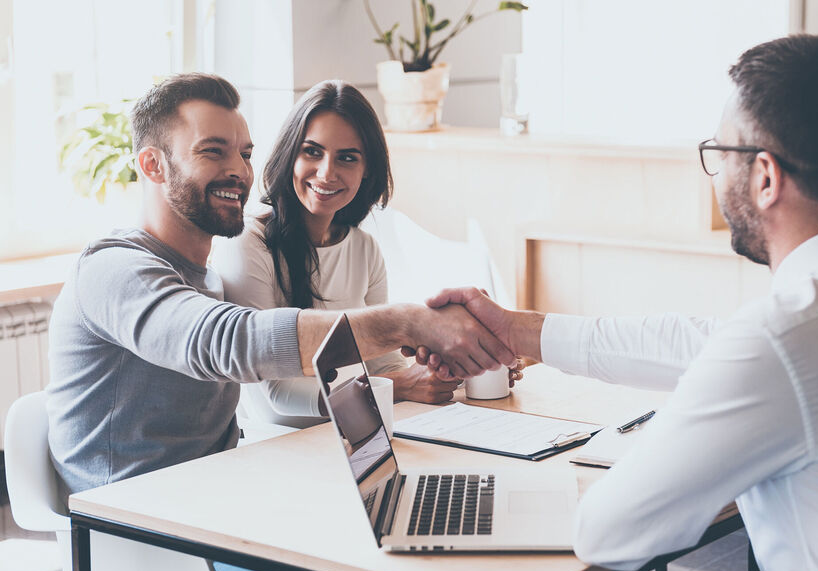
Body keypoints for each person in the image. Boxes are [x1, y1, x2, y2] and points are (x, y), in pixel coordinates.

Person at [423, 35, 818, 571]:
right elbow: (702, 343)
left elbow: (609, 532)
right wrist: (515, 331)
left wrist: (679, 434)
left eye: (721, 153)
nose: (718, 173)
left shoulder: (785, 341)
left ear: (766, 177)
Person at [45, 72, 516, 498]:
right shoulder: (114, 269)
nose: (239, 171)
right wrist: (410, 322)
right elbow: (229, 342)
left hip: (224, 492)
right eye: (214, 151)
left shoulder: (207, 275)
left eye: (245, 154)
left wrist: (437, 366)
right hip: (141, 524)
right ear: (152, 166)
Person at [212, 80, 486, 425]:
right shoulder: (246, 243)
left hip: (359, 438)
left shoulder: (364, 248)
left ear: (366, 169)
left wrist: (446, 371)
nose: (327, 172)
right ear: (289, 153)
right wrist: (396, 386)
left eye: (347, 158)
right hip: (282, 451)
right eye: (312, 151)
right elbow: (278, 394)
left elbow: (384, 364)